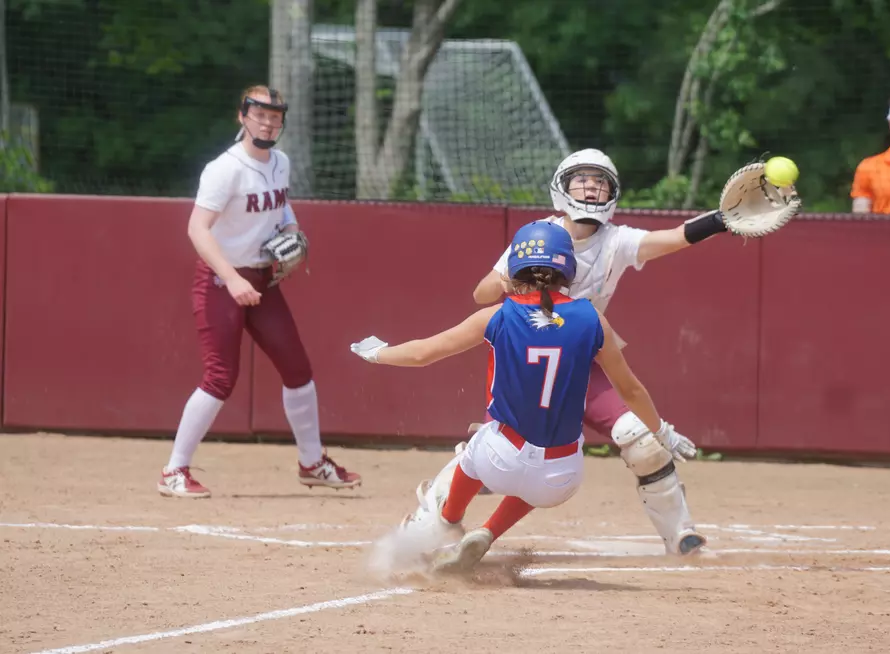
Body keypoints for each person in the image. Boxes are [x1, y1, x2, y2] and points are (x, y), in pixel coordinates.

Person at [401, 148, 733, 557]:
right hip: (526, 359)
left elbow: (673, 238)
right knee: (494, 450)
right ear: (562, 187)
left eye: (601, 181)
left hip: (577, 361)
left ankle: (681, 535)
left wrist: (720, 220)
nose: (592, 187)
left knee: (640, 441)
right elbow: (480, 295)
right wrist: (514, 271)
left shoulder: (616, 241)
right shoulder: (538, 234)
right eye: (583, 179)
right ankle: (427, 525)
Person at [351, 220, 684, 572]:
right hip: (562, 477)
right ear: (567, 268)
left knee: (477, 446)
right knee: (540, 474)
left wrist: (378, 353)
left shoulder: (497, 315)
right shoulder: (592, 319)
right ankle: (489, 531)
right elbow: (631, 389)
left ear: (515, 268)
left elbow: (423, 354)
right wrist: (660, 431)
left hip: (500, 460)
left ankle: (448, 520)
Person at [157, 85, 361, 498]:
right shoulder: (225, 169)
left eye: (275, 116)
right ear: (242, 117)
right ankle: (174, 471)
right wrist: (231, 278)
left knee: (298, 370)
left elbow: (280, 204)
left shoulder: (280, 162)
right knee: (220, 377)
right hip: (220, 281)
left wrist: (291, 229)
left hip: (261, 282)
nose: (267, 122)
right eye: (260, 114)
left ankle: (312, 462)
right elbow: (197, 229)